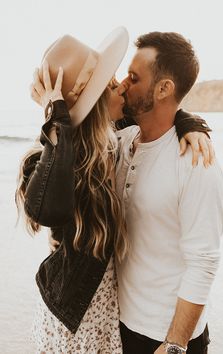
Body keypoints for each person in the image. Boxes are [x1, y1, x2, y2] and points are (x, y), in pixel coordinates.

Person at [16, 28, 212, 353]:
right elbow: (47, 209)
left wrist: (189, 123)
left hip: (110, 315)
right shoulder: (48, 160)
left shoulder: (113, 142)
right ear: (93, 102)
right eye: (110, 85)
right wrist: (57, 118)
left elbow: (158, 114)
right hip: (73, 322)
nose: (121, 86)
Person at [115, 32, 223, 354]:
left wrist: (174, 345)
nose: (123, 85)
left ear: (164, 89)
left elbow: (203, 262)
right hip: (119, 324)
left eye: (134, 78)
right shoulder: (122, 142)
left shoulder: (196, 162)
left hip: (166, 338)